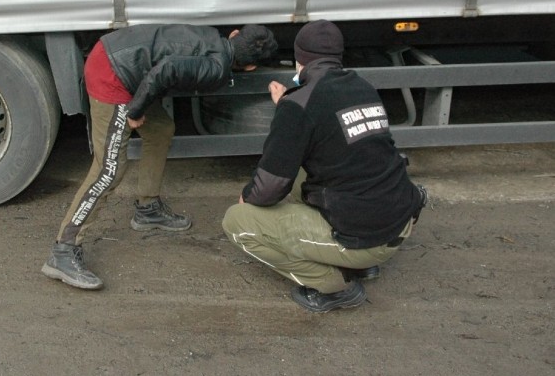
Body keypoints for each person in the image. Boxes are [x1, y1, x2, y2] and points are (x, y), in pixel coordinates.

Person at [43, 23, 279, 290]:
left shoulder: (212, 36)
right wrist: (134, 111)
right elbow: (165, 70)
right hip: (113, 75)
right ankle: (63, 249)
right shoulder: (216, 68)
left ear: (235, 34)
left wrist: (140, 105)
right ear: (250, 68)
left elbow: (162, 69)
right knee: (108, 171)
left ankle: (148, 209)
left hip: (119, 59)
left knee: (161, 129)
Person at [222, 19, 427, 313]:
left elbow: (268, 187)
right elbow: (327, 128)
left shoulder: (299, 104)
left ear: (298, 59)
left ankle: (335, 285)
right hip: (398, 219)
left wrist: (248, 197)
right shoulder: (361, 85)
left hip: (366, 238)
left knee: (238, 221)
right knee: (306, 171)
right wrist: (289, 106)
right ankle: (360, 265)